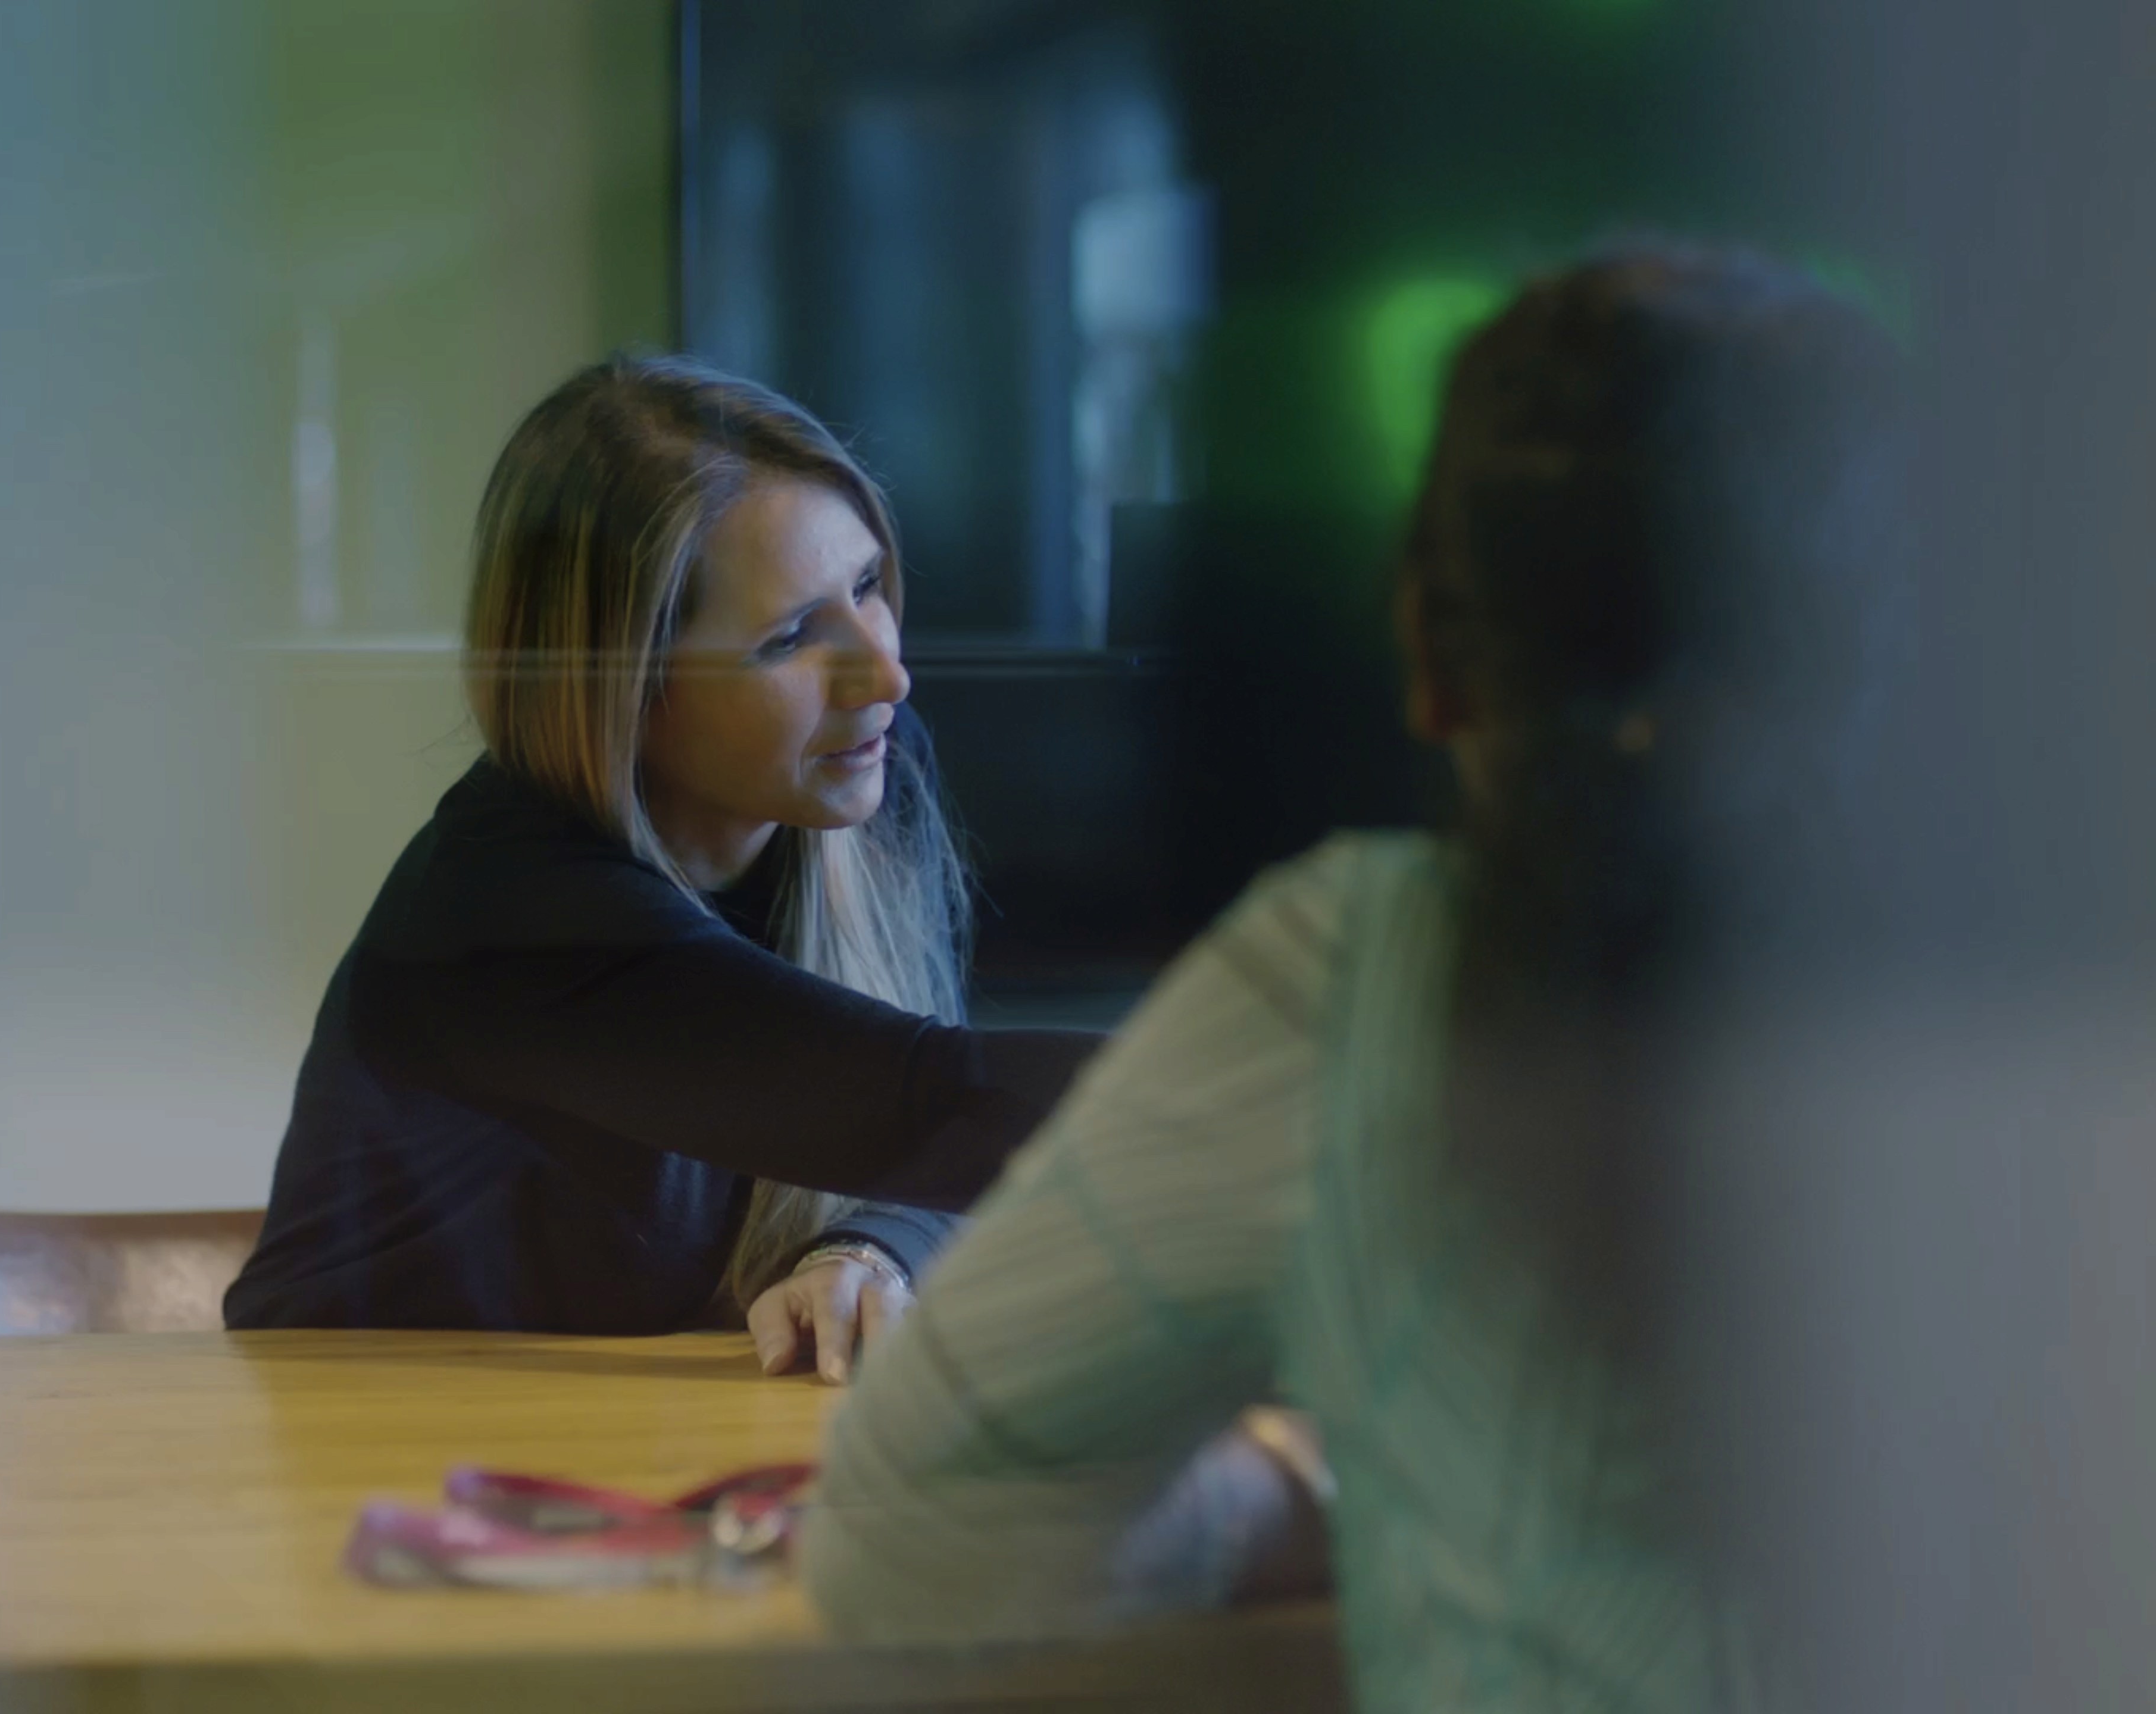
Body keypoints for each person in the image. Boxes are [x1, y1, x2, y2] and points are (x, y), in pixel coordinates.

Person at [801, 245, 1905, 1706]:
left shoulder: (1354, 989)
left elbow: (907, 1531)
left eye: (874, 591)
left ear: (1426, 661)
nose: (884, 669)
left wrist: (1302, 1497)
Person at [224, 355, 1104, 1381]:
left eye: (868, 585)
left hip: (609, 1454)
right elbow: (925, 1104)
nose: (886, 673)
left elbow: (935, 1149)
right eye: (789, 639)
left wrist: (868, 1253)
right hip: (355, 1460)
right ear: (632, 687)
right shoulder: (509, 911)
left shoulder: (861, 784)